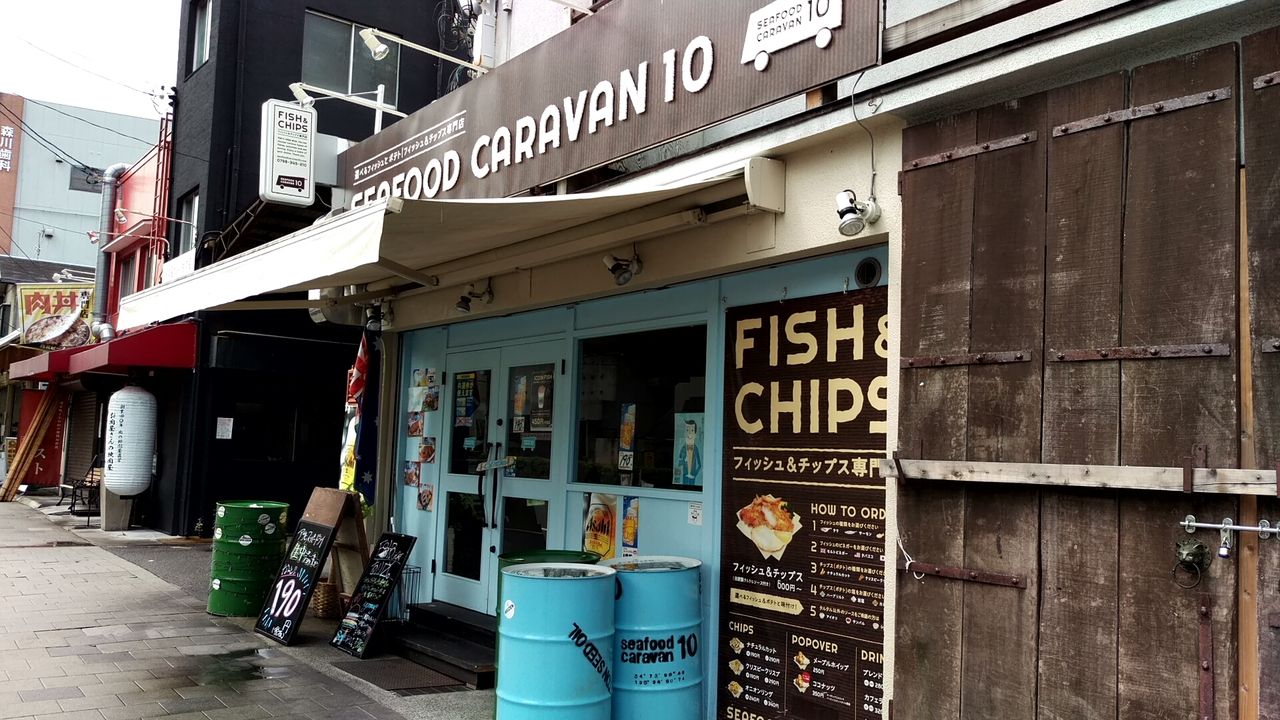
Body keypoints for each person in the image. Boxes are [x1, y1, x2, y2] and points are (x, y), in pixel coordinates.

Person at [675, 419, 702, 485]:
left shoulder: (696, 449)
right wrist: (684, 461)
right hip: (685, 475)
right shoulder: (683, 449)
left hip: (692, 476)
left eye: (692, 430)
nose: (689, 433)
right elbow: (679, 463)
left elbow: (699, 465)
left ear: (695, 434)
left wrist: (695, 474)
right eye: (687, 430)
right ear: (684, 433)